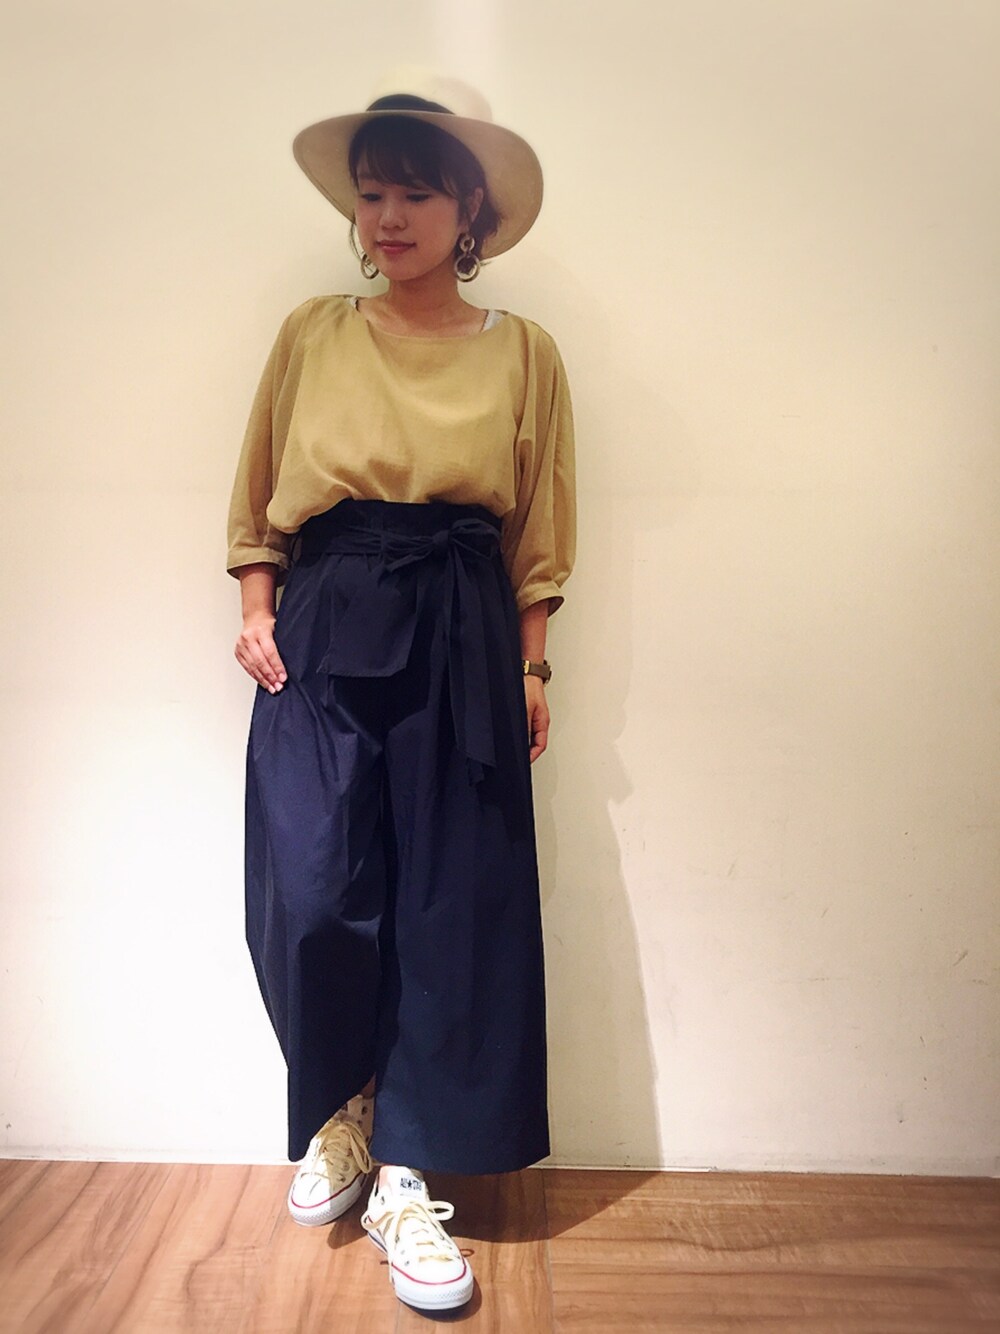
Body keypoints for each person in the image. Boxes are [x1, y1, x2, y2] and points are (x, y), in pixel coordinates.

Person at [226, 69, 576, 1314]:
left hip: (461, 618)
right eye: (371, 194)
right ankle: (344, 1105)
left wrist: (530, 660)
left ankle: (406, 1175)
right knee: (314, 883)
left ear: (469, 209)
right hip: (326, 608)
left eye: (416, 194)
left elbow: (538, 525)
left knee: (450, 901)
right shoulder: (312, 332)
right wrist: (257, 605)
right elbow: (259, 485)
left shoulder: (522, 351)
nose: (387, 217)